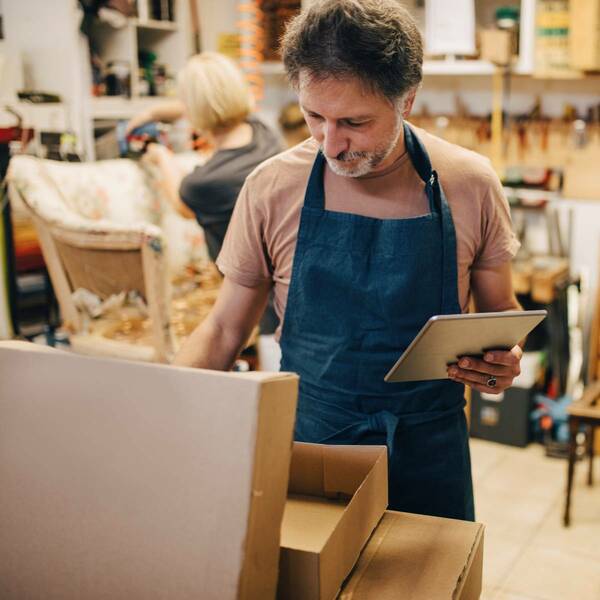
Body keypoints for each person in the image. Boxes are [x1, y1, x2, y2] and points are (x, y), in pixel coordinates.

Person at [173, 0, 523, 521]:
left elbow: (501, 315)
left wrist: (502, 360)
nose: (331, 145)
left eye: (354, 122)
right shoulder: (271, 188)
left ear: (406, 99)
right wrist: (161, 414)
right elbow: (225, 330)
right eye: (315, 117)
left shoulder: (469, 183)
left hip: (430, 448)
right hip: (314, 442)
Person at [137, 52, 284, 338]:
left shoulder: (205, 183)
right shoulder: (264, 134)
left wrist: (161, 156)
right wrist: (151, 114)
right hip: (282, 289)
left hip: (258, 309)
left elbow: (182, 205)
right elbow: (213, 107)